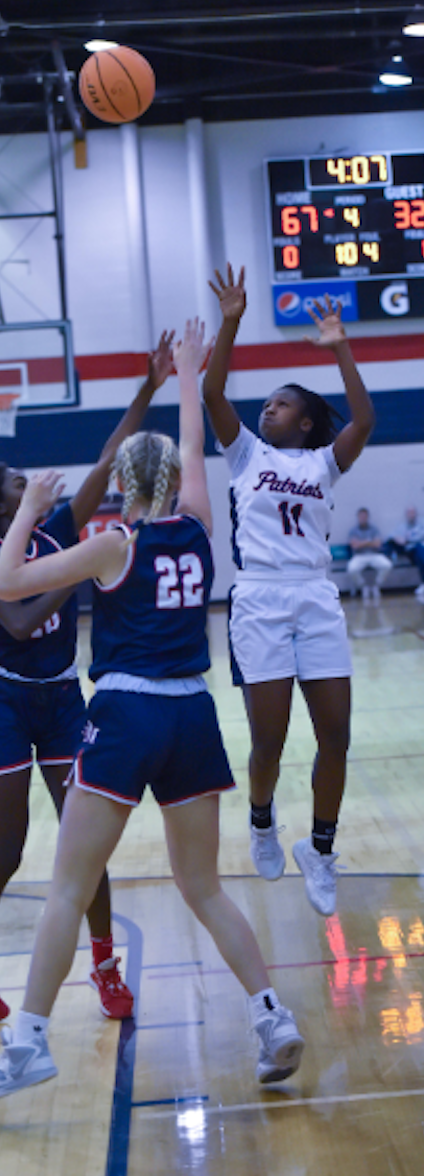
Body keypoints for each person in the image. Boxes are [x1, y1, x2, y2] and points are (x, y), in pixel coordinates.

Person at [0, 319, 304, 1098]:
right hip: (194, 717)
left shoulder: (111, 546)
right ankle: (272, 1016)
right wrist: (193, 374)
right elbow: (194, 451)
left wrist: (31, 509)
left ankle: (28, 1042)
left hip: (127, 714)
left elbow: (8, 587)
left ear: (126, 489)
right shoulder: (200, 528)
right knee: (203, 887)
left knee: (69, 886)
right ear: (171, 482)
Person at [0, 334, 178, 1025]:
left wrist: (148, 387)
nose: (31, 480)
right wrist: (73, 574)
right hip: (10, 701)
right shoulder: (14, 548)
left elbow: (109, 458)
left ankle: (104, 965)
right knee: (9, 850)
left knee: (86, 843)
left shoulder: (61, 528)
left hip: (66, 700)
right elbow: (15, 626)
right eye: (17, 479)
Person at [203, 265, 375, 918]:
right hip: (258, 600)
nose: (265, 409)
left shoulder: (323, 461)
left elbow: (365, 417)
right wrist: (232, 320)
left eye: (279, 404)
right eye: (266, 403)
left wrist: (340, 347)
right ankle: (262, 818)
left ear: (305, 423)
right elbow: (212, 390)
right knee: (268, 741)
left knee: (337, 736)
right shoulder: (245, 454)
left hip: (314, 596)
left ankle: (321, 850)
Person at [384, 506, 424, 598]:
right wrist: (397, 538)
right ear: (406, 514)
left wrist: (408, 539)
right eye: (409, 513)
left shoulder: (423, 523)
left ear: (416, 513)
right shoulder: (403, 526)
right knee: (417, 553)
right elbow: (392, 535)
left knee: (420, 548)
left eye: (413, 512)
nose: (411, 515)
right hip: (412, 552)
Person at [346, 508, 392, 602]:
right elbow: (354, 546)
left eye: (365, 516)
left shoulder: (374, 529)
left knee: (387, 565)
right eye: (361, 516)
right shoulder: (353, 530)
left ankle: (376, 585)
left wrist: (361, 543)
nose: (363, 518)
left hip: (374, 554)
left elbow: (378, 544)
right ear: (358, 517)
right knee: (351, 568)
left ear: (368, 517)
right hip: (359, 556)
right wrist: (369, 541)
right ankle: (363, 586)